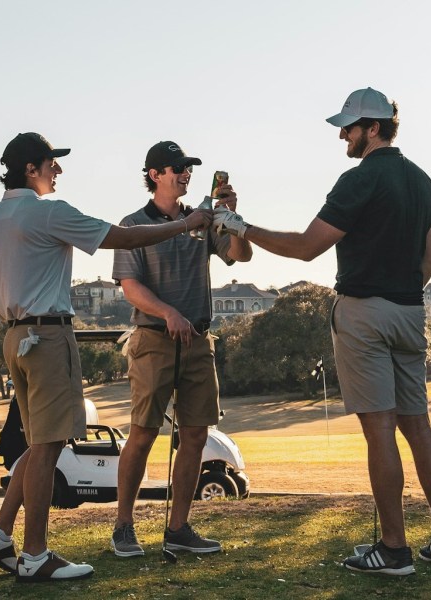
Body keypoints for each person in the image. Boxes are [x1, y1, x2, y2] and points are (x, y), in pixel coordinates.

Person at [214, 88, 431, 575]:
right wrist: (400, 293)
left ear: (372, 128)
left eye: (348, 128)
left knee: (380, 431)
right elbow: (430, 261)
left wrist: (240, 226)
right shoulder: (425, 183)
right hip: (411, 312)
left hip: (364, 313)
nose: (342, 135)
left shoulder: (360, 179)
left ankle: (393, 550)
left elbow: (307, 247)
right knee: (419, 427)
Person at [0, 132, 212, 583]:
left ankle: (1, 535)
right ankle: (36, 554)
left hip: (13, 337)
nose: (57, 171)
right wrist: (186, 224)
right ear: (30, 168)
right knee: (49, 446)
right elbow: (122, 237)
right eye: (50, 163)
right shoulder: (48, 211)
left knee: (38, 442)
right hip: (48, 337)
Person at [109, 141, 252, 558]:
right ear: (154, 174)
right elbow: (131, 288)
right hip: (154, 339)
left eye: (188, 168)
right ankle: (123, 527)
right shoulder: (132, 224)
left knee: (195, 435)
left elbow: (239, 256)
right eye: (177, 168)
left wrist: (234, 220)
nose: (185, 173)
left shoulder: (203, 219)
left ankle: (179, 529)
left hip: (198, 341)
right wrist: (169, 312)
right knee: (143, 433)